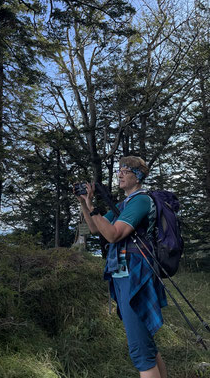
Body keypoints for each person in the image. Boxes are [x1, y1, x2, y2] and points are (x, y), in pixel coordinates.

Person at [77, 156, 167, 377]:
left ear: (137, 177)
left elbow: (113, 234)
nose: (119, 174)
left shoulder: (140, 201)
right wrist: (85, 203)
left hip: (135, 276)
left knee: (140, 352)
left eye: (125, 171)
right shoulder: (123, 205)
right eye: (119, 171)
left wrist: (95, 209)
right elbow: (95, 228)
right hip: (125, 274)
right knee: (146, 346)